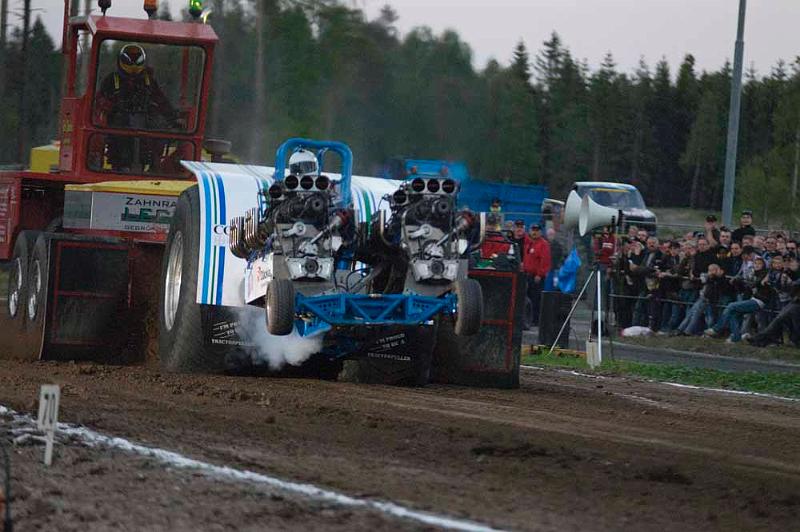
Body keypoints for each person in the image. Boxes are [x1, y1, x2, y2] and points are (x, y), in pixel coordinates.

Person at [94, 44, 178, 170]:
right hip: (118, 124)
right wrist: (108, 106)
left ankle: (154, 164)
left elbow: (161, 101)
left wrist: (173, 118)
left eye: (136, 61)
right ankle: (120, 165)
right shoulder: (112, 80)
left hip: (145, 123)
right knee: (118, 136)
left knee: (159, 129)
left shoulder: (148, 81)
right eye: (130, 61)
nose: (133, 66)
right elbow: (99, 101)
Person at [528, 224, 551, 325]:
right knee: (529, 297)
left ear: (540, 232)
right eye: (533, 230)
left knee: (536, 299)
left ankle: (535, 320)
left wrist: (540, 274)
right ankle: (529, 318)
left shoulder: (543, 244)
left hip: (536, 277)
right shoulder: (529, 243)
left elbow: (545, 260)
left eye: (537, 230)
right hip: (528, 275)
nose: (534, 232)